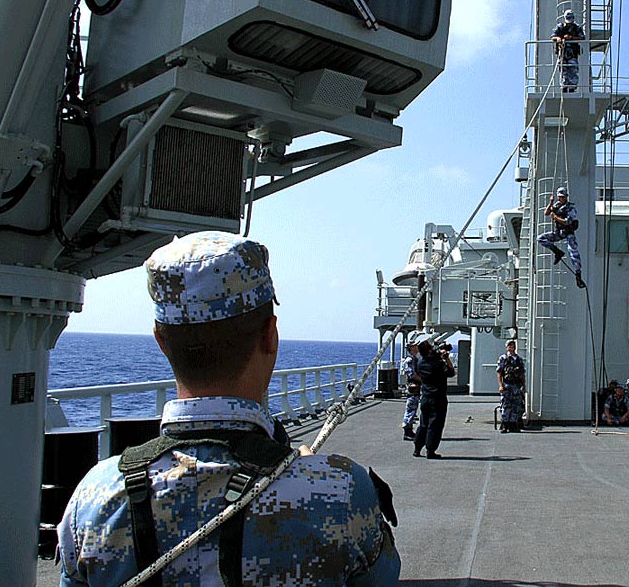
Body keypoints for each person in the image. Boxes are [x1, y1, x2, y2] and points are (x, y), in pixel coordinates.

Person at [57, 231, 399, 586]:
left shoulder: (94, 499)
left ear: (160, 339)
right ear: (270, 334)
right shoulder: (339, 490)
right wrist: (304, 471)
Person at [412, 336, 456, 460]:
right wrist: (446, 358)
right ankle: (430, 450)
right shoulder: (438, 364)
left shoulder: (421, 363)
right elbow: (451, 372)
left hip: (426, 397)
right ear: (429, 350)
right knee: (435, 426)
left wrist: (438, 356)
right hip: (438, 398)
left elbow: (430, 361)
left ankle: (417, 448)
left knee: (424, 424)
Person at [537, 185, 585, 288]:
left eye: (563, 197)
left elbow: (568, 221)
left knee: (573, 252)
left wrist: (556, 218)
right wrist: (550, 203)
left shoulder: (570, 208)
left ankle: (578, 274)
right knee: (540, 239)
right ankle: (557, 252)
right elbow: (546, 213)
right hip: (559, 232)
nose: (561, 199)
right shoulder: (557, 205)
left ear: (566, 196)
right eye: (559, 197)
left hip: (568, 233)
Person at [551, 8, 585, 92]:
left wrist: (571, 38)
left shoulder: (576, 28)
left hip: (572, 53)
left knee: (573, 70)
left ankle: (572, 88)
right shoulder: (560, 27)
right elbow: (552, 37)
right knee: (563, 70)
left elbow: (582, 38)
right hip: (562, 53)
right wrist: (558, 38)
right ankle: (564, 87)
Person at [496, 339, 526, 433]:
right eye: (509, 345)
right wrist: (500, 385)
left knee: (516, 405)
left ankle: (513, 425)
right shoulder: (503, 358)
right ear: (506, 347)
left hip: (516, 385)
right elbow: (499, 373)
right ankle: (505, 425)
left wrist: (524, 385)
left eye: (512, 345)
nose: (511, 347)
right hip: (507, 384)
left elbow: (522, 374)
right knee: (505, 405)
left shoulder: (518, 359)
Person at [401, 337, 421, 440]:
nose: (417, 347)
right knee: (410, 409)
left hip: (416, 387)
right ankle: (407, 432)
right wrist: (423, 380)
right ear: (411, 348)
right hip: (413, 387)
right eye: (415, 346)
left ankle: (409, 431)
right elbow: (412, 374)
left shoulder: (414, 359)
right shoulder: (410, 360)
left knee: (413, 409)